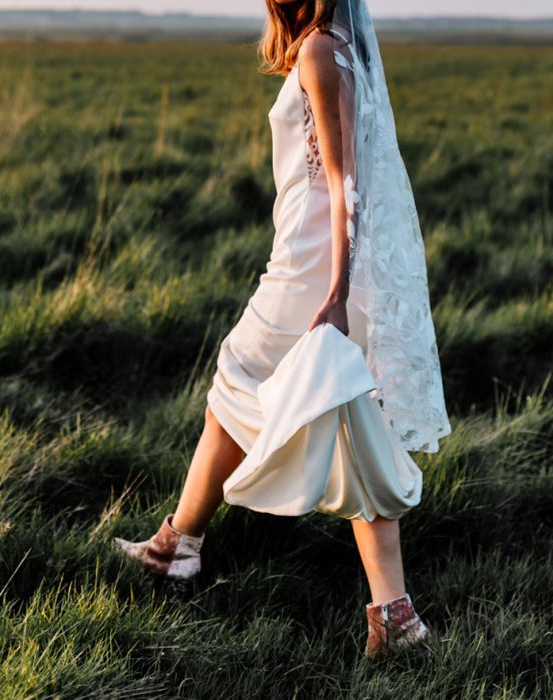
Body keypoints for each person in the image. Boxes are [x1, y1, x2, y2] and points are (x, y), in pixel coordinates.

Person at [113, 0, 452, 660]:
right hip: (313, 263)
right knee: (342, 419)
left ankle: (176, 548)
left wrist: (335, 292)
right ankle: (392, 614)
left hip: (306, 272)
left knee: (247, 386)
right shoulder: (329, 47)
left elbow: (345, 181)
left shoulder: (322, 51)